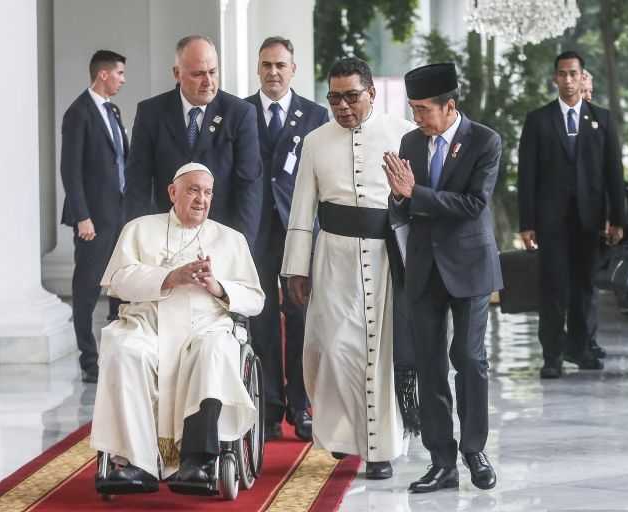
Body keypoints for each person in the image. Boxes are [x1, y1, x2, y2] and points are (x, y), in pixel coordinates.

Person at [90, 163, 264, 491]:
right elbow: (119, 280)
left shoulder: (231, 239)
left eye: (208, 192)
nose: (202, 199)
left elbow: (255, 299)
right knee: (124, 349)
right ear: (173, 192)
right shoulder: (139, 229)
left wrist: (217, 286)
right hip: (148, 324)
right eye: (193, 190)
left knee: (213, 350)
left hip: (205, 326)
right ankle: (135, 462)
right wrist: (170, 277)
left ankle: (196, 461)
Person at [281, 57, 413, 481]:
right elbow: (302, 209)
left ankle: (379, 451)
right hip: (332, 258)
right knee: (334, 349)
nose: (342, 106)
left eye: (351, 96)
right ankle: (342, 434)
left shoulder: (403, 133)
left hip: (386, 258)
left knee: (379, 356)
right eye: (334, 97)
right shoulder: (316, 141)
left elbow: (416, 200)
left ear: (371, 93)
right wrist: (294, 270)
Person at [384, 62, 502, 492]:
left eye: (422, 109)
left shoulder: (485, 140)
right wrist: (399, 197)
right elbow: (401, 207)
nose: (416, 118)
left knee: (469, 360)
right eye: (412, 108)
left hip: (469, 265)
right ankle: (442, 462)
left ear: (448, 106)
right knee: (430, 365)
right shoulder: (410, 141)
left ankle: (475, 450)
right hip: (424, 267)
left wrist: (415, 193)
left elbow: (473, 204)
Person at [518, 51, 624, 378]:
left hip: (589, 221)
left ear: (582, 77)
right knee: (553, 289)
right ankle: (552, 356)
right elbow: (527, 175)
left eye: (573, 74)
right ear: (555, 78)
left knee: (584, 288)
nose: (567, 80)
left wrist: (617, 218)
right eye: (562, 74)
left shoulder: (602, 120)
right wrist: (527, 223)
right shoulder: (538, 120)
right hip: (551, 223)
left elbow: (613, 174)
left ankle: (581, 349)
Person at [245, 36, 329, 442]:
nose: (273, 72)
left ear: (293, 69)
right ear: (258, 69)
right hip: (256, 233)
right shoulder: (240, 112)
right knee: (260, 320)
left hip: (299, 231)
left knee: (299, 319)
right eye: (266, 65)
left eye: (280, 65)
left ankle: (301, 404)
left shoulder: (315, 114)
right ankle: (269, 407)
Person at [124, 35, 263, 248]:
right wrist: (139, 242)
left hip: (222, 238)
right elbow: (138, 184)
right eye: (198, 74)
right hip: (164, 238)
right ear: (177, 74)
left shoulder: (240, 113)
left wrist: (241, 247)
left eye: (213, 72)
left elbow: (249, 187)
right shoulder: (151, 113)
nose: (208, 82)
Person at [60, 50, 129, 384]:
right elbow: (69, 171)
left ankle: (116, 354)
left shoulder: (112, 110)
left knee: (119, 286)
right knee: (87, 290)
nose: (122, 79)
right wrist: (82, 216)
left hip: (118, 216)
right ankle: (89, 360)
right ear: (103, 74)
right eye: (119, 73)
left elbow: (120, 162)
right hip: (92, 220)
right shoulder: (78, 113)